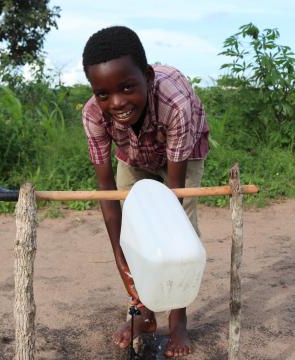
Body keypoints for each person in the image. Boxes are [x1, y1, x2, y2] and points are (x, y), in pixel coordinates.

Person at [81, 25, 209, 358]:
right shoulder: (94, 115)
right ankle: (144, 314)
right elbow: (109, 198)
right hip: (133, 156)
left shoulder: (175, 104)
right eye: (104, 93)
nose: (117, 103)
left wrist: (165, 241)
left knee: (180, 237)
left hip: (181, 155)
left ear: (148, 77)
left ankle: (178, 317)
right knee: (134, 232)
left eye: (126, 88)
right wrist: (124, 266)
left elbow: (173, 202)